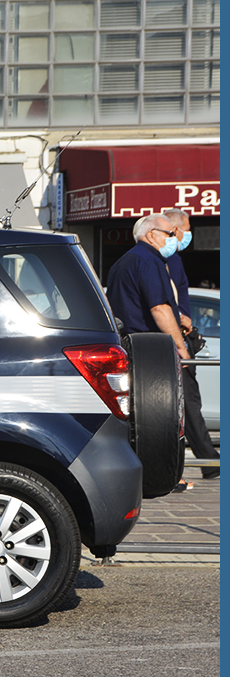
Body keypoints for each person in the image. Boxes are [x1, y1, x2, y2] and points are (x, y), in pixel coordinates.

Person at [107, 214, 195, 493]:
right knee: (160, 419)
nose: (174, 238)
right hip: (150, 353)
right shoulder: (149, 261)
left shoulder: (125, 261)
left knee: (134, 420)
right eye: (170, 233)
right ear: (151, 234)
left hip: (130, 346)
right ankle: (162, 475)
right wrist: (180, 347)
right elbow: (159, 308)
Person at [164, 209, 219, 481]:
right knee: (188, 403)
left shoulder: (167, 260)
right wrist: (180, 325)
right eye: (187, 229)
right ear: (174, 231)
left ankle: (208, 460)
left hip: (174, 337)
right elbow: (165, 303)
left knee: (183, 404)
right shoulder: (169, 260)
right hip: (176, 339)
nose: (189, 235)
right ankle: (209, 461)